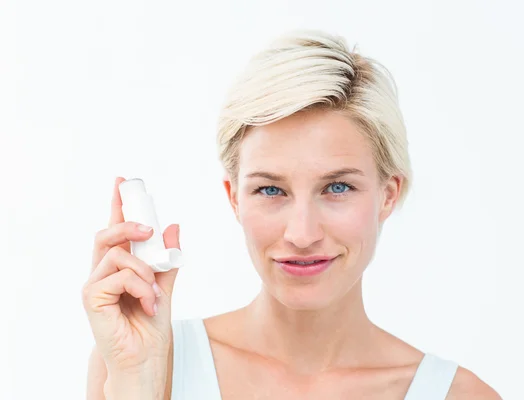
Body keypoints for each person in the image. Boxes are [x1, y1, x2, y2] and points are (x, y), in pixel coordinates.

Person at [82, 29, 501, 399]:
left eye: (337, 188)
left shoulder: (460, 396)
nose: (302, 234)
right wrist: (138, 385)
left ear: (388, 195)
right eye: (270, 189)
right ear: (235, 199)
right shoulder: (140, 363)